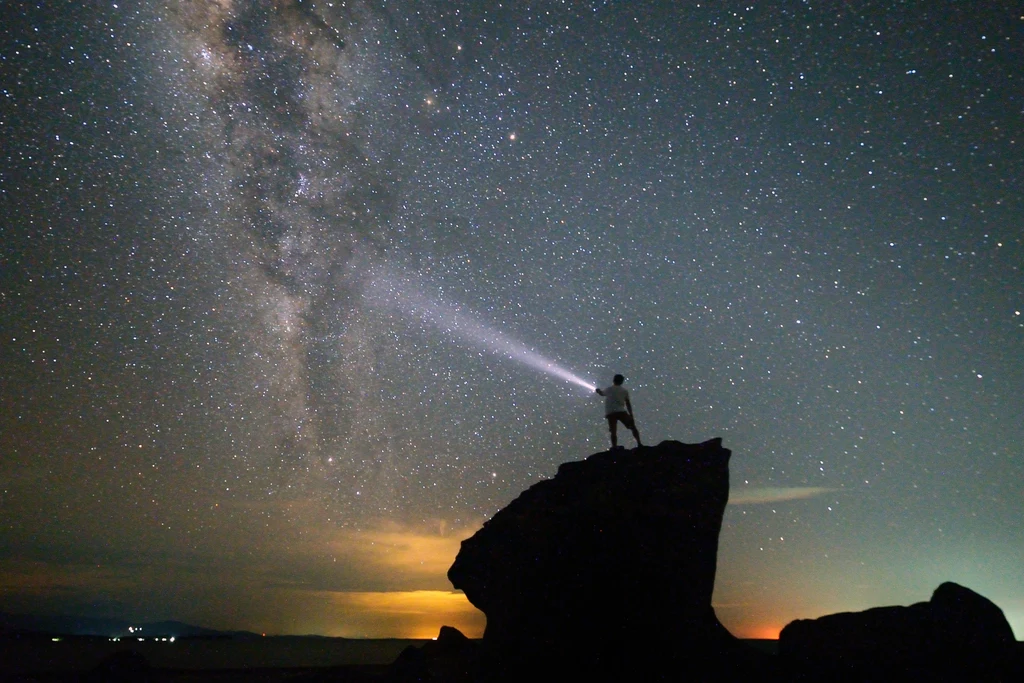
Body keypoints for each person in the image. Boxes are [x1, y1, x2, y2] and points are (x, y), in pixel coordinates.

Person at [595, 374, 642, 449]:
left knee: (613, 431)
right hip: (621, 411)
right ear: (621, 381)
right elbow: (628, 403)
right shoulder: (624, 391)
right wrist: (631, 415)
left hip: (610, 412)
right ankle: (639, 443)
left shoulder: (609, 389)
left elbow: (601, 393)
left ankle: (614, 447)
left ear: (613, 380)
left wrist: (598, 390)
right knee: (632, 427)